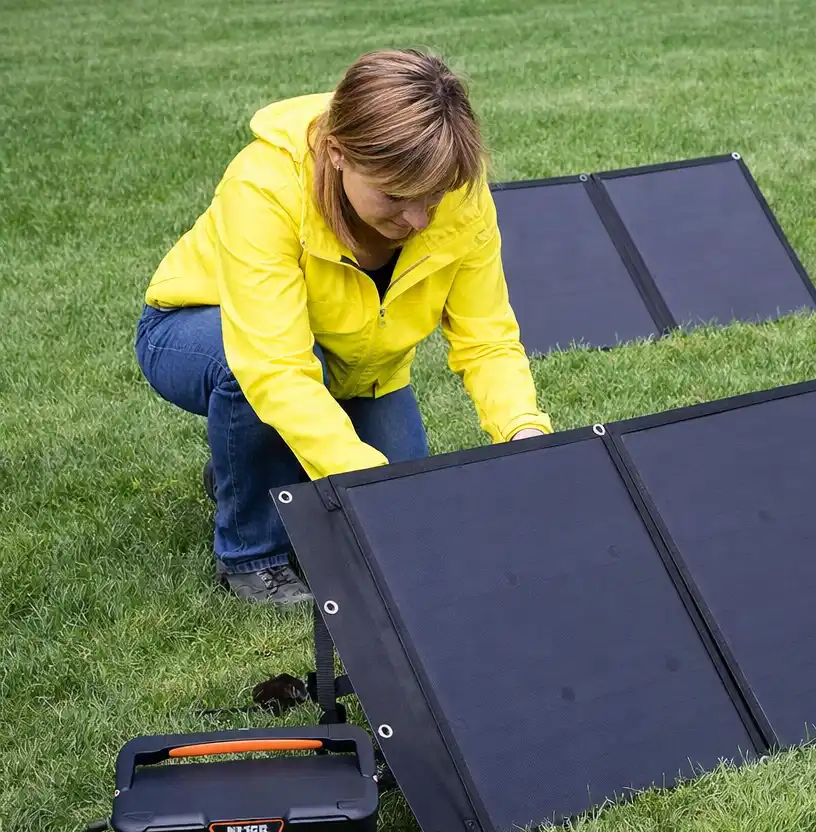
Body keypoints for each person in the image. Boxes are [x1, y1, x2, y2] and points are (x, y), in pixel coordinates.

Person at [135, 48, 553, 607]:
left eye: (433, 197)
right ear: (336, 153)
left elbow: (488, 338)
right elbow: (275, 367)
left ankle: (250, 466)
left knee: (411, 530)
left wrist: (523, 431)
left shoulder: (458, 187)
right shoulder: (263, 186)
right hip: (196, 333)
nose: (420, 219)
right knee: (270, 391)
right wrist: (361, 475)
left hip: (358, 364)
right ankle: (250, 557)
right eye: (397, 198)